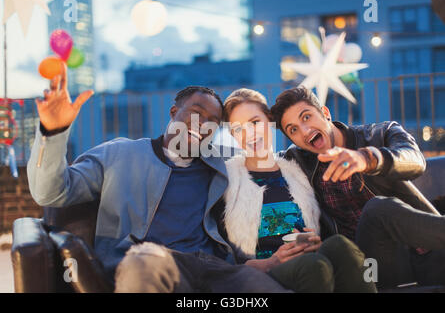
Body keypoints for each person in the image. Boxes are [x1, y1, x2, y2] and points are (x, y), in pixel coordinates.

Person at [27, 63, 292, 293]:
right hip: (148, 261)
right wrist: (53, 131)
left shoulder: (222, 161)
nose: (203, 125)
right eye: (196, 113)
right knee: (143, 265)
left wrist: (332, 142)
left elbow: (274, 161)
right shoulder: (118, 154)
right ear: (173, 112)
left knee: (260, 285)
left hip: (213, 267)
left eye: (213, 122)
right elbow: (51, 192)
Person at [270, 86, 445, 288]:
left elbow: (415, 161)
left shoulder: (381, 134)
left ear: (325, 113)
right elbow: (256, 165)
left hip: (427, 250)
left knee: (378, 209)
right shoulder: (298, 162)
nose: (305, 131)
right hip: (372, 268)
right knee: (375, 212)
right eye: (293, 130)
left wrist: (368, 159)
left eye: (306, 117)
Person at [220, 88, 376, 293]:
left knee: (340, 245)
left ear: (270, 121)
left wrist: (314, 240)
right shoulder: (226, 181)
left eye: (255, 122)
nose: (249, 134)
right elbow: (216, 249)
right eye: (238, 129)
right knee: (313, 267)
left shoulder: (298, 170)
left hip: (309, 260)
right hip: (263, 273)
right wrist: (268, 262)